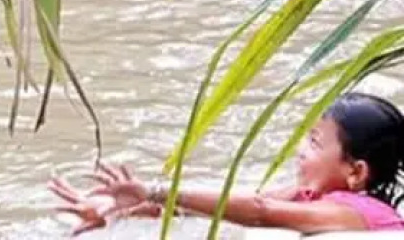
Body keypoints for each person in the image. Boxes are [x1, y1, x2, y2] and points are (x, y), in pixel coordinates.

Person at [50, 92, 404, 234]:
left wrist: (155, 190)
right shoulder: (307, 196)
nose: (300, 151)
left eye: (314, 143)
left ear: (355, 172)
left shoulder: (356, 212)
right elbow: (220, 208)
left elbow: (259, 210)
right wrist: (115, 211)